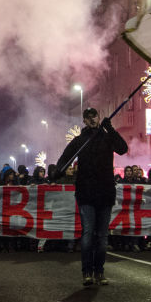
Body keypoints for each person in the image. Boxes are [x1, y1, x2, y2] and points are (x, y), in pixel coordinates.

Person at [55, 107, 127, 287]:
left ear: (99, 117)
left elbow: (123, 149)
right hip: (86, 193)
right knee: (88, 233)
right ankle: (87, 272)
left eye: (94, 115)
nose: (92, 119)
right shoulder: (80, 141)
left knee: (102, 236)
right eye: (88, 117)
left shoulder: (107, 137)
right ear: (84, 121)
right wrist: (56, 173)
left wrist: (110, 129)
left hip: (105, 192)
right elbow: (64, 159)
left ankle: (99, 271)